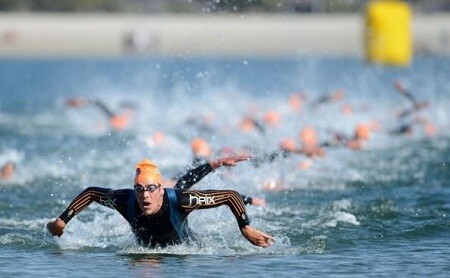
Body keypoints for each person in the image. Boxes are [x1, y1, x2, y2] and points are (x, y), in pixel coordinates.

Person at [47, 159, 274, 248]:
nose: (144, 196)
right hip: (146, 254)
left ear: (161, 190)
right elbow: (91, 193)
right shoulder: (124, 200)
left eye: (151, 189)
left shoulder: (182, 200)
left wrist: (245, 228)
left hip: (188, 250)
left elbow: (230, 196)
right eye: (139, 190)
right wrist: (62, 220)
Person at [66, 98, 134, 130]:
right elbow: (99, 104)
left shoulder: (123, 120)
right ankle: (79, 102)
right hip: (114, 122)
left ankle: (79, 102)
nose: (126, 112)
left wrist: (103, 125)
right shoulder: (117, 118)